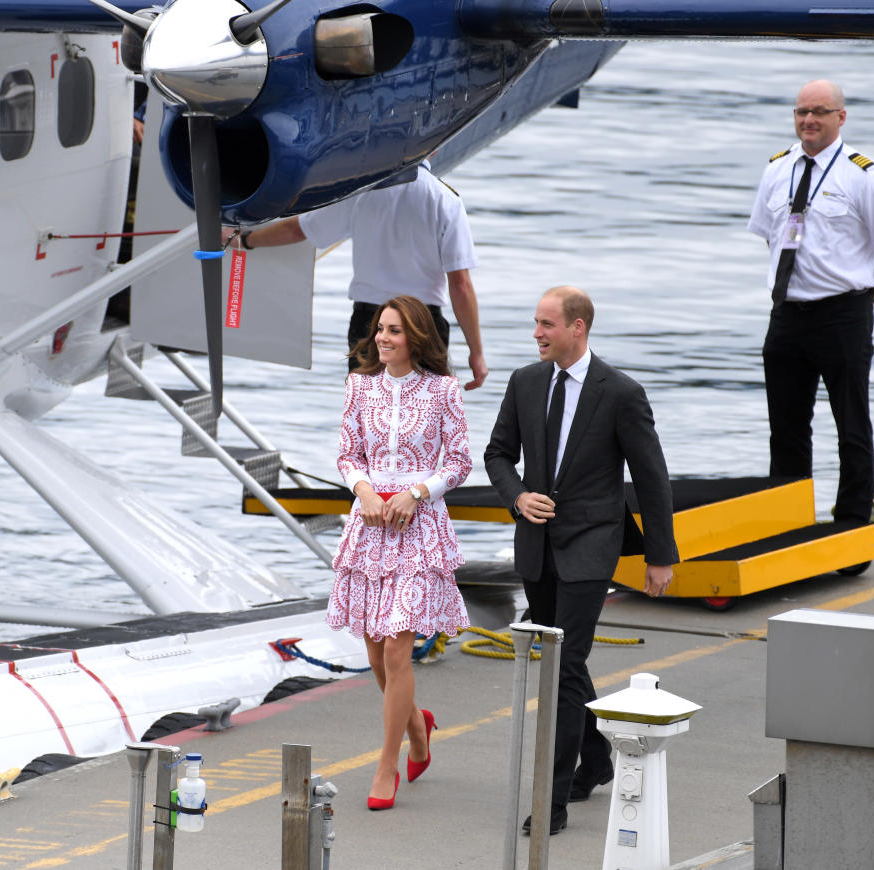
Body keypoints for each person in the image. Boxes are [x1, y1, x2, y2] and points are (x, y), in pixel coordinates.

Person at [483, 285, 678, 834]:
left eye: (547, 324)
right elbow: (497, 453)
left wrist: (660, 557)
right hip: (538, 547)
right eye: (535, 323)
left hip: (592, 547)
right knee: (565, 666)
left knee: (563, 665)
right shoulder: (525, 382)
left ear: (578, 328)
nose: (537, 333)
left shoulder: (620, 392)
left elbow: (651, 475)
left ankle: (553, 802)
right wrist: (518, 495)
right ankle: (596, 761)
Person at [326, 295, 472, 811]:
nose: (383, 338)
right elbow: (347, 454)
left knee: (396, 648)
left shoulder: (443, 390)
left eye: (394, 331)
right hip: (368, 526)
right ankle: (416, 721)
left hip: (418, 526)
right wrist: (364, 491)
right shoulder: (359, 386)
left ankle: (387, 762)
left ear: (417, 337)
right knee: (372, 649)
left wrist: (416, 493)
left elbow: (458, 461)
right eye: (380, 330)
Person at [747, 79, 874, 524]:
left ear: (840, 118)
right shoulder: (777, 168)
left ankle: (853, 524)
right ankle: (788, 521)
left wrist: (868, 293)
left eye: (819, 111)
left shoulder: (862, 174)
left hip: (843, 313)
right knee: (787, 429)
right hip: (788, 314)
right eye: (801, 112)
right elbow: (771, 237)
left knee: (851, 426)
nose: (808, 120)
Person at [226, 163, 488, 389]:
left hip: (371, 322)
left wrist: (245, 240)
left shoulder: (359, 193)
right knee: (423, 424)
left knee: (369, 423)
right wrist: (476, 353)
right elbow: (460, 285)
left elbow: (300, 230)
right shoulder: (445, 199)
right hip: (424, 324)